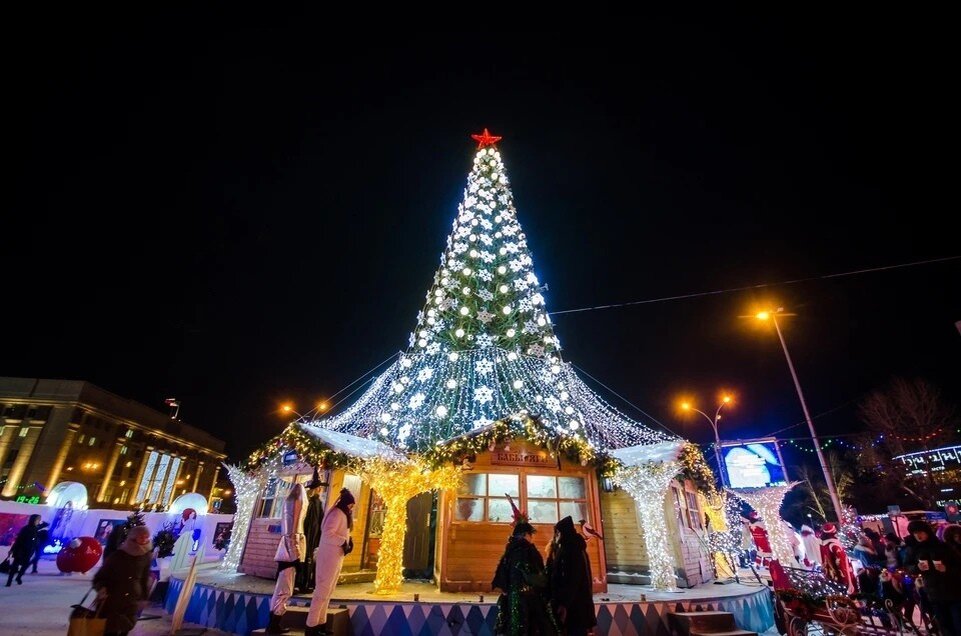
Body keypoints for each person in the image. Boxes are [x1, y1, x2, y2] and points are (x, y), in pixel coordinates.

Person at [491, 511, 555, 635]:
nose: (531, 538)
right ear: (525, 534)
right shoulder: (528, 550)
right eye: (530, 535)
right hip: (528, 597)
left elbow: (502, 575)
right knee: (528, 627)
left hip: (512, 596)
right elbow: (537, 574)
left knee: (515, 627)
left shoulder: (510, 550)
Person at [305, 488, 355, 636]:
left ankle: (321, 622)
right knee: (322, 590)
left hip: (337, 556)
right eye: (351, 505)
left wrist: (348, 542)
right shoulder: (336, 514)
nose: (352, 508)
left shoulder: (344, 515)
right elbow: (327, 533)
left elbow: (341, 533)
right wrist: (342, 542)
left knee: (328, 591)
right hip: (329, 556)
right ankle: (311, 625)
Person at [92, 524, 154, 636]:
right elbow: (100, 577)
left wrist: (144, 597)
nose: (144, 539)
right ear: (134, 537)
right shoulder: (118, 555)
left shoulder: (147, 556)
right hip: (113, 599)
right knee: (109, 630)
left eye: (146, 537)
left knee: (125, 629)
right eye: (141, 536)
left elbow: (144, 578)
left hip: (132, 601)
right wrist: (101, 588)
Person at [904, 519, 961, 636]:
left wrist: (947, 569)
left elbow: (958, 565)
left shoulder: (943, 547)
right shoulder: (913, 550)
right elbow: (907, 566)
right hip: (934, 594)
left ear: (927, 531)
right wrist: (917, 567)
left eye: (920, 532)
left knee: (959, 623)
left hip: (954, 592)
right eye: (914, 533)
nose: (918, 535)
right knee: (945, 626)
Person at [267, 483, 308, 635]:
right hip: (289, 557)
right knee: (284, 589)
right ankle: (274, 622)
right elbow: (294, 536)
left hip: (285, 555)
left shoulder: (287, 514)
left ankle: (273, 621)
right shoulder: (294, 530)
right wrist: (297, 558)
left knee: (281, 588)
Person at [546, 516, 596, 636]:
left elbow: (571, 579)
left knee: (575, 630)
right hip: (576, 603)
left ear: (562, 532)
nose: (556, 536)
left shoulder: (571, 549)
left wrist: (564, 603)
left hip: (574, 606)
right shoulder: (574, 547)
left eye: (557, 532)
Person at [297, 467, 327, 594]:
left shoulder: (317, 503)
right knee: (304, 557)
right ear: (317, 489)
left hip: (312, 535)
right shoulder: (310, 502)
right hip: (306, 534)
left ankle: (307, 582)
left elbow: (320, 520)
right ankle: (302, 582)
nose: (321, 490)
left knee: (310, 558)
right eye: (320, 488)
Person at [5, 514, 44, 586]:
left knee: (24, 565)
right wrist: (12, 550)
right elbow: (18, 540)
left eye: (39, 520)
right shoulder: (26, 529)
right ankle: (9, 581)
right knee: (15, 566)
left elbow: (34, 539)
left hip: (28, 551)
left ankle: (18, 577)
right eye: (38, 520)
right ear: (33, 520)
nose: (39, 521)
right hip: (20, 550)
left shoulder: (35, 529)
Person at [819, 522, 856, 594]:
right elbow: (842, 563)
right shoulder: (834, 545)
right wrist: (849, 582)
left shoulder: (823, 544)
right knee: (847, 594)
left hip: (831, 574)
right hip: (841, 576)